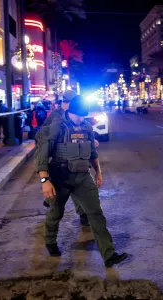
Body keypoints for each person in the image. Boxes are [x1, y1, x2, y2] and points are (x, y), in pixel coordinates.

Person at [34, 96, 128, 267]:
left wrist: (98, 172)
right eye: (77, 115)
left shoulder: (86, 127)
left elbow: (92, 152)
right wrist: (45, 180)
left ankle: (109, 255)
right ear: (69, 111)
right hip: (59, 177)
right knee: (56, 213)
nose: (79, 118)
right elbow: (42, 156)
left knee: (96, 214)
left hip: (83, 177)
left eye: (82, 115)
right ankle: (50, 241)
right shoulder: (57, 127)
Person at [39, 90, 91, 226]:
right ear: (65, 103)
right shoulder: (55, 117)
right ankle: (52, 204)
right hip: (57, 160)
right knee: (61, 188)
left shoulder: (74, 115)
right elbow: (44, 139)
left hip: (75, 159)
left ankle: (83, 213)